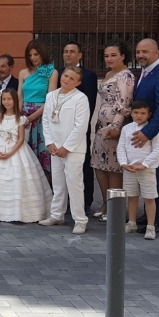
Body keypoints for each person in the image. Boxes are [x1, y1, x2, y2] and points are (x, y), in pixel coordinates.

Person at [0, 88, 52, 223]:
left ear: (15, 100)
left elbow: (20, 139)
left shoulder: (20, 119)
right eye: (4, 99)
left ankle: (18, 211)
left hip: (16, 150)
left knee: (17, 178)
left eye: (9, 99)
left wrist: (11, 153)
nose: (7, 102)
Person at [131, 38, 159, 234]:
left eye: (145, 52)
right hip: (143, 135)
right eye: (138, 51)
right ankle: (149, 214)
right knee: (147, 176)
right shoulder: (143, 73)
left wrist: (147, 133)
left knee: (157, 176)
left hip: (157, 135)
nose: (141, 55)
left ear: (156, 53)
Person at [40, 66, 91, 234]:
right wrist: (50, 143)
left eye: (71, 78)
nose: (67, 79)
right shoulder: (51, 96)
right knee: (58, 182)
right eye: (65, 76)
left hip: (73, 149)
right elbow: (46, 121)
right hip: (55, 147)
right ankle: (57, 214)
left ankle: (80, 219)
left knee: (74, 183)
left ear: (78, 82)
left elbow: (81, 126)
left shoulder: (80, 98)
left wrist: (66, 147)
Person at [89, 41, 134, 219]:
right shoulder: (108, 74)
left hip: (115, 126)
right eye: (106, 55)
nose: (109, 58)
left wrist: (116, 126)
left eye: (113, 55)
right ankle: (106, 203)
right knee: (99, 164)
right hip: (101, 125)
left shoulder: (126, 76)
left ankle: (115, 207)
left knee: (113, 166)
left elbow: (124, 101)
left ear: (123, 56)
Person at [61, 41, 99, 215]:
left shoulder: (88, 76)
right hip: (61, 129)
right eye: (65, 51)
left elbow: (89, 105)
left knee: (82, 164)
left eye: (72, 51)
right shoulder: (60, 74)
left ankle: (86, 201)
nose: (68, 54)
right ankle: (65, 201)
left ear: (80, 55)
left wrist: (79, 127)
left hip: (79, 129)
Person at [118, 101, 159, 240]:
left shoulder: (152, 130)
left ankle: (150, 227)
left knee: (149, 198)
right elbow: (121, 147)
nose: (139, 116)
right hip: (129, 169)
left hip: (146, 170)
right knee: (131, 196)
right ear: (131, 113)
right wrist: (124, 163)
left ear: (149, 115)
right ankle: (132, 223)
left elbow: (158, 150)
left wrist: (144, 164)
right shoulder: (126, 129)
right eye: (136, 113)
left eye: (143, 113)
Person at [18, 40, 58, 175]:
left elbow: (50, 100)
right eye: (30, 55)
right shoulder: (23, 73)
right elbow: (20, 96)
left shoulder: (52, 72)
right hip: (24, 116)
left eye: (36, 54)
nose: (33, 58)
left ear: (42, 54)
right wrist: (19, 117)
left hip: (42, 117)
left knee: (43, 154)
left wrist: (31, 118)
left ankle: (46, 193)